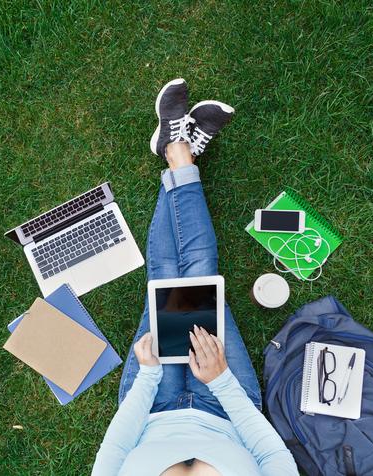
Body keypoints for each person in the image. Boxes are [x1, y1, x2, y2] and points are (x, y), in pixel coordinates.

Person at [92, 79, 297, 476]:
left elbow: (116, 448)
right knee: (201, 278)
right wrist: (221, 381)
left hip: (151, 405)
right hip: (226, 406)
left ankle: (177, 152)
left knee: (165, 279)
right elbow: (272, 457)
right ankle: (180, 156)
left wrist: (149, 376)